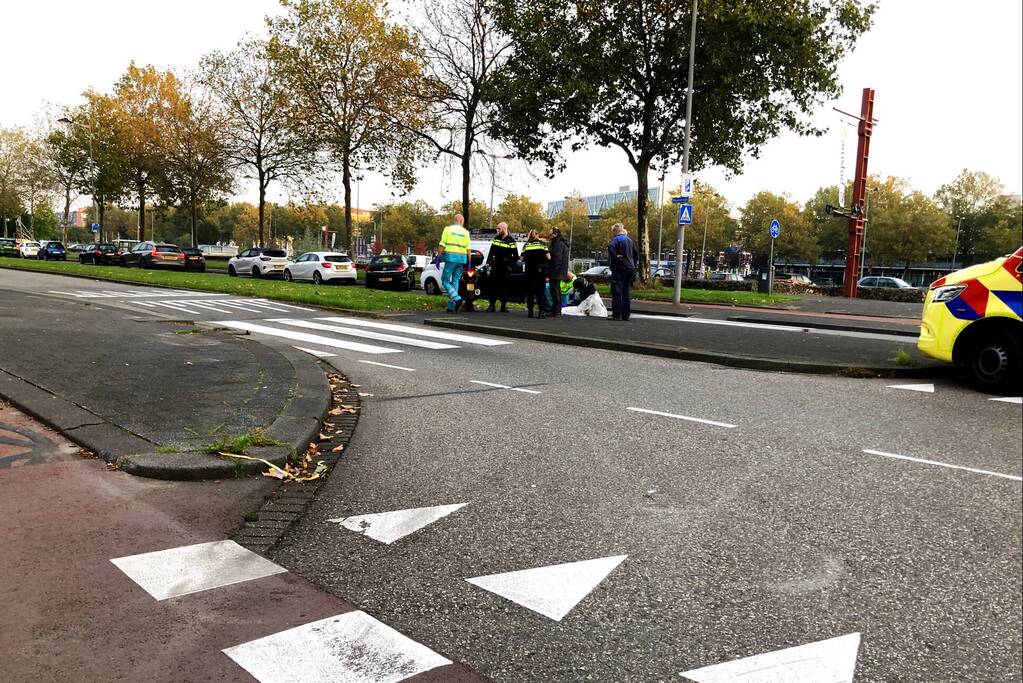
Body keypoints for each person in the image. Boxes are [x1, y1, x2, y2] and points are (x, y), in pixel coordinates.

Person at [437, 213, 470, 313]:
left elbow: (442, 244)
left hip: (451, 259)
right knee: (455, 281)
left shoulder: (448, 229)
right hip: (462, 260)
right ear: (461, 221)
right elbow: (468, 249)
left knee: (445, 280)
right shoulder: (465, 232)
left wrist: (438, 258)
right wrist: (469, 262)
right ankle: (451, 307)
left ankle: (457, 299)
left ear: (454, 220)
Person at [485, 221, 518, 312]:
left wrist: (510, 266)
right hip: (495, 266)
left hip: (505, 267)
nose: (497, 230)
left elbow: (515, 256)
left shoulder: (511, 240)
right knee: (493, 286)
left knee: (504, 287)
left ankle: (503, 306)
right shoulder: (496, 238)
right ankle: (492, 305)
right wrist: (489, 261)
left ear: (504, 229)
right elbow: (491, 251)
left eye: (499, 229)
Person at [608, 223, 638, 321]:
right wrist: (633, 265)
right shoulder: (630, 240)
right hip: (630, 268)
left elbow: (611, 248)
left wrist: (616, 256)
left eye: (612, 231)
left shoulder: (616, 239)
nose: (612, 233)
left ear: (615, 231)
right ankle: (626, 315)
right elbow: (636, 255)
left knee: (617, 291)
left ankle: (617, 314)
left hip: (619, 268)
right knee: (626, 291)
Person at [521, 230, 550, 318]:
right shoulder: (542, 244)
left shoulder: (526, 245)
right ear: (537, 235)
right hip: (540, 271)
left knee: (530, 292)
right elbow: (549, 257)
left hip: (529, 271)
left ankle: (530, 311)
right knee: (540, 291)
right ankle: (541, 312)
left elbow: (522, 258)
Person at [547, 227, 570, 317]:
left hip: (556, 270)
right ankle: (557, 309)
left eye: (551, 234)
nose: (550, 236)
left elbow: (557, 259)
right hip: (560, 270)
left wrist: (554, 270)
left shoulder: (557, 244)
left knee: (555, 291)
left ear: (555, 234)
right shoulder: (561, 243)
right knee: (557, 290)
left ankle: (555, 310)